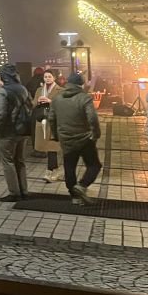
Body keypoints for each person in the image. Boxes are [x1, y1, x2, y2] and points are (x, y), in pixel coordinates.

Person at [47, 72, 103, 205]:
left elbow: (51, 118)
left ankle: (74, 196)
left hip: (66, 138)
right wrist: (95, 134)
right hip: (84, 138)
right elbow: (92, 118)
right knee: (94, 165)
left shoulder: (57, 98)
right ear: (81, 84)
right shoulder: (84, 98)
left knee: (69, 167)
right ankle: (82, 185)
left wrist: (56, 135)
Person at [0, 64, 32, 202]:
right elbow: (30, 106)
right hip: (22, 130)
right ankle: (24, 190)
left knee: (8, 161)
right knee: (20, 160)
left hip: (8, 131)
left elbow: (1, 113)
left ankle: (14, 192)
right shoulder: (23, 88)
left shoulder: (3, 91)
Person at [33, 70, 64, 182]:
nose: (47, 79)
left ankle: (50, 170)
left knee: (52, 147)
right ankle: (53, 169)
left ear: (54, 78)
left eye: (49, 76)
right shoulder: (39, 90)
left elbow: (62, 105)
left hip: (53, 121)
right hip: (42, 120)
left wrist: (50, 101)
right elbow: (33, 104)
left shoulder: (60, 90)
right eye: (45, 77)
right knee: (46, 147)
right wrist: (38, 101)